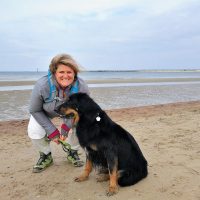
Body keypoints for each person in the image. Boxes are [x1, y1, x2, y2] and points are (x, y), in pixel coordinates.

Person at [28, 53, 89, 173]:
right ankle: (46, 155)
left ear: (74, 73)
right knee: (34, 129)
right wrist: (52, 131)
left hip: (70, 114)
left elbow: (80, 111)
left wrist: (66, 127)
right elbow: (34, 110)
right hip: (46, 112)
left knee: (84, 124)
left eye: (69, 72)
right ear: (54, 72)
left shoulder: (82, 87)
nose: (65, 76)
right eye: (61, 72)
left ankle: (72, 151)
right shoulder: (42, 85)